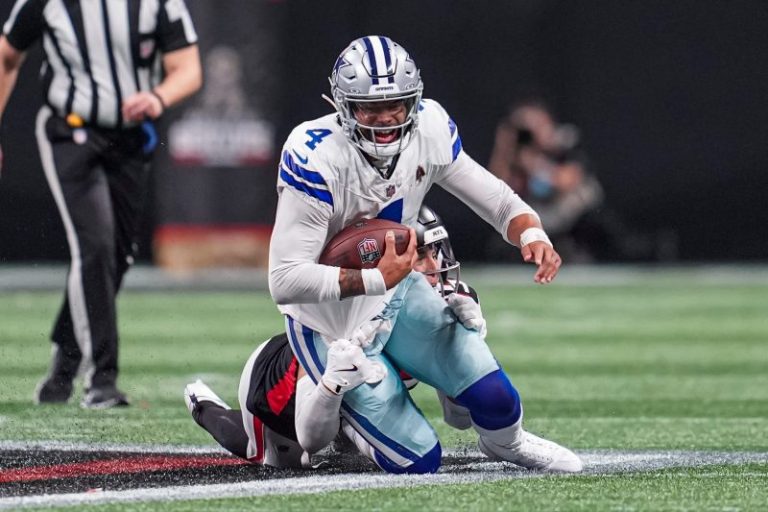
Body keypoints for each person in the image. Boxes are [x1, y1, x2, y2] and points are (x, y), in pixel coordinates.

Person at [267, 36, 581, 474]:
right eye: (369, 107)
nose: (384, 118)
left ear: (413, 101)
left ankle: (506, 443)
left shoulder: (429, 128)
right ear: (343, 106)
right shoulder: (315, 154)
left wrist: (531, 232)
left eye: (395, 104)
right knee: (419, 460)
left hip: (397, 292)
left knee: (495, 398)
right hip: (328, 322)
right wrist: (375, 278)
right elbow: (284, 279)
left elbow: (496, 200)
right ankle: (346, 422)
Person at [0, 0, 202, 408]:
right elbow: (7, 56)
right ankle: (101, 379)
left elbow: (188, 68)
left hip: (130, 140)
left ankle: (64, 364)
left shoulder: (156, 3)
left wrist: (158, 97)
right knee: (94, 247)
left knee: (117, 257)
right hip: (70, 133)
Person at [183, 205, 487, 468]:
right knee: (276, 458)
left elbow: (459, 418)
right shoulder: (349, 318)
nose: (434, 267)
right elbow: (311, 438)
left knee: (363, 438)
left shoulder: (453, 302)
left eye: (435, 252)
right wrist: (332, 384)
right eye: (419, 256)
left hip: (353, 399)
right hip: (279, 392)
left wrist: (464, 348)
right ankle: (205, 408)